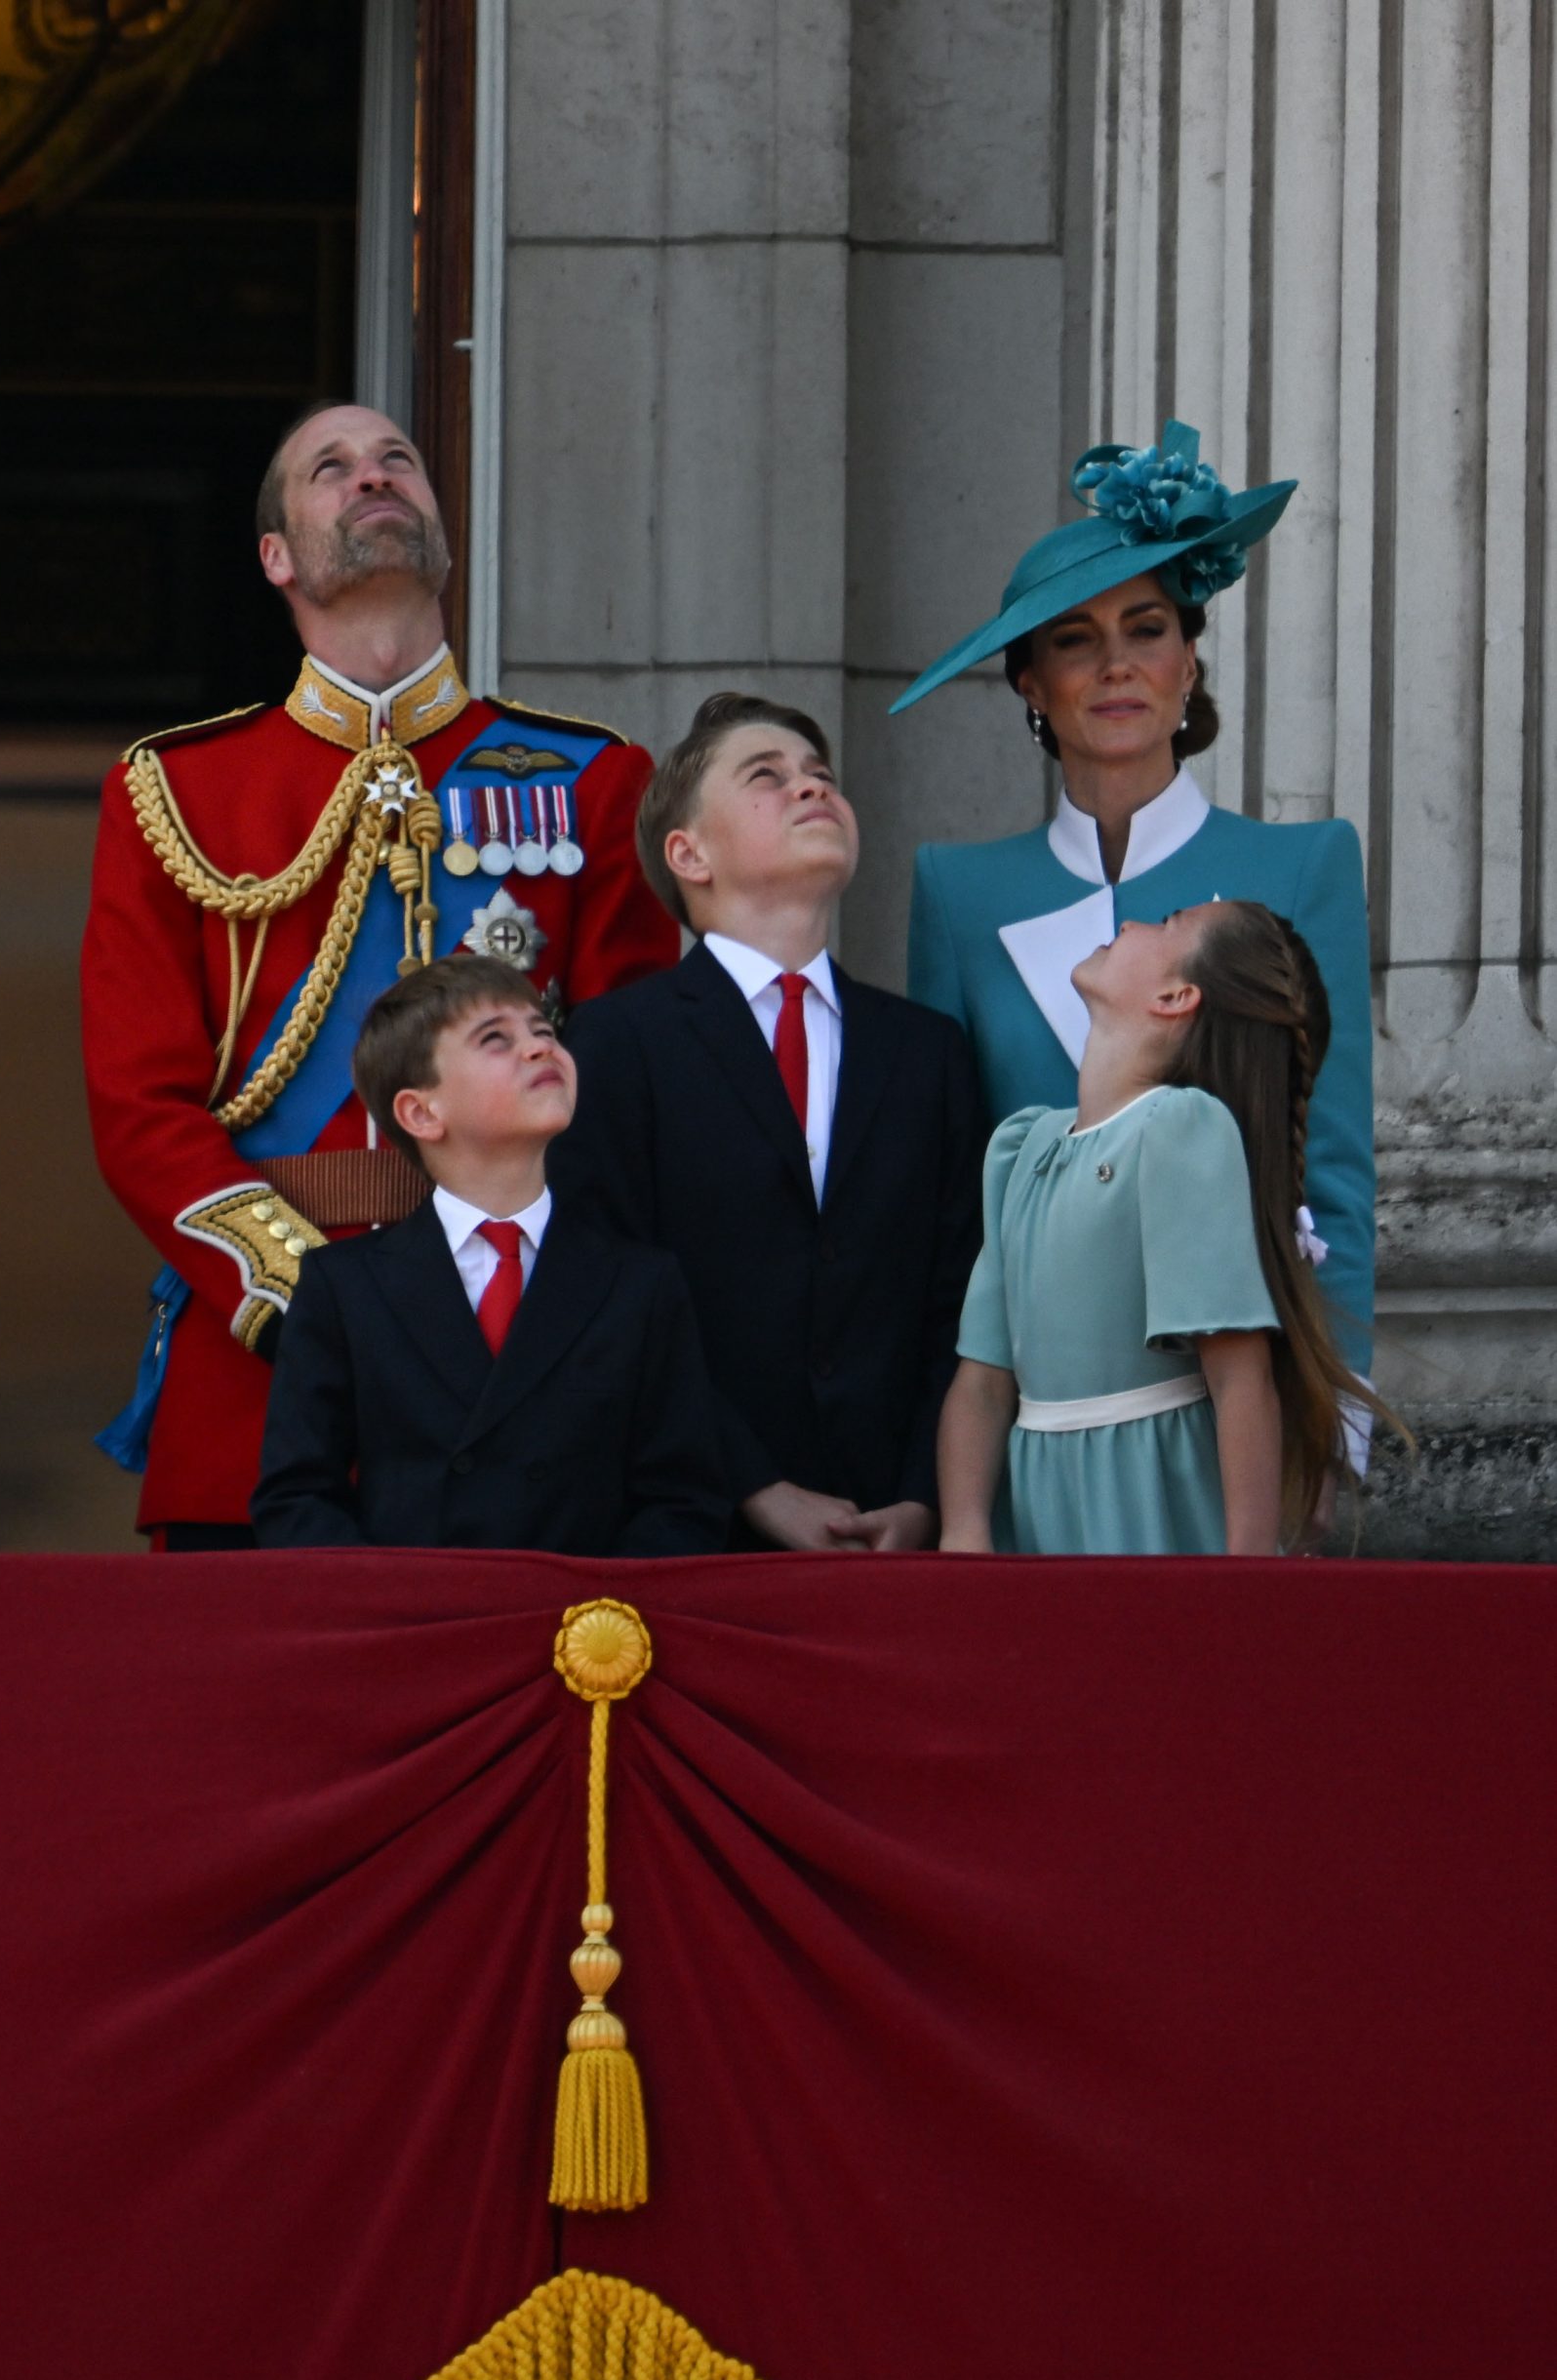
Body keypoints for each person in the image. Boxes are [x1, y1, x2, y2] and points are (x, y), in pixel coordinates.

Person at [83, 401, 678, 1549]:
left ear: (444, 539)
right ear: (276, 555)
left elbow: (626, 1077)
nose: (375, 477)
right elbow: (137, 1106)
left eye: (399, 460)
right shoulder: (175, 791)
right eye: (332, 469)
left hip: (523, 1364)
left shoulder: (594, 777)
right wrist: (303, 1298)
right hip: (261, 1370)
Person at [899, 422, 1377, 1413]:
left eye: (1147, 628)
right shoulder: (955, 893)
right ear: (1033, 685)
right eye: (1076, 640)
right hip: (1040, 1409)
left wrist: (1335, 1413)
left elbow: (1330, 1170)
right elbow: (949, 1205)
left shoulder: (1302, 863)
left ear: (1189, 662)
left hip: (1245, 1404)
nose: (1117, 665)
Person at [547, 692, 983, 1552]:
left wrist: (923, 1495)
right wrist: (750, 1484)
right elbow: (605, 1298)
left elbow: (963, 1299)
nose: (810, 789)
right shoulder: (613, 1043)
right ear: (689, 853)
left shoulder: (926, 1052)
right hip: (687, 1528)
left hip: (889, 1535)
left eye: (821, 776)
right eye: (767, 777)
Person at [937, 900, 1395, 1557]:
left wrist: (1244, 1571)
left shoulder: (1179, 1129)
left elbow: (1239, 1379)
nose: (1129, 925)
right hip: (1036, 1511)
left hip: (1153, 1506)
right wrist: (965, 1531)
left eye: (1166, 925)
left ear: (1175, 996)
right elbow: (981, 1382)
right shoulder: (1022, 1146)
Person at [251, 959, 729, 1553]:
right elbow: (297, 1499)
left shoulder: (640, 1282)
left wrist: (598, 1620)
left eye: (545, 1030)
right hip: (417, 1627)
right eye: (496, 1039)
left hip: (585, 1633)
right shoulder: (345, 1286)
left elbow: (683, 1499)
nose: (538, 1048)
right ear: (421, 1113)